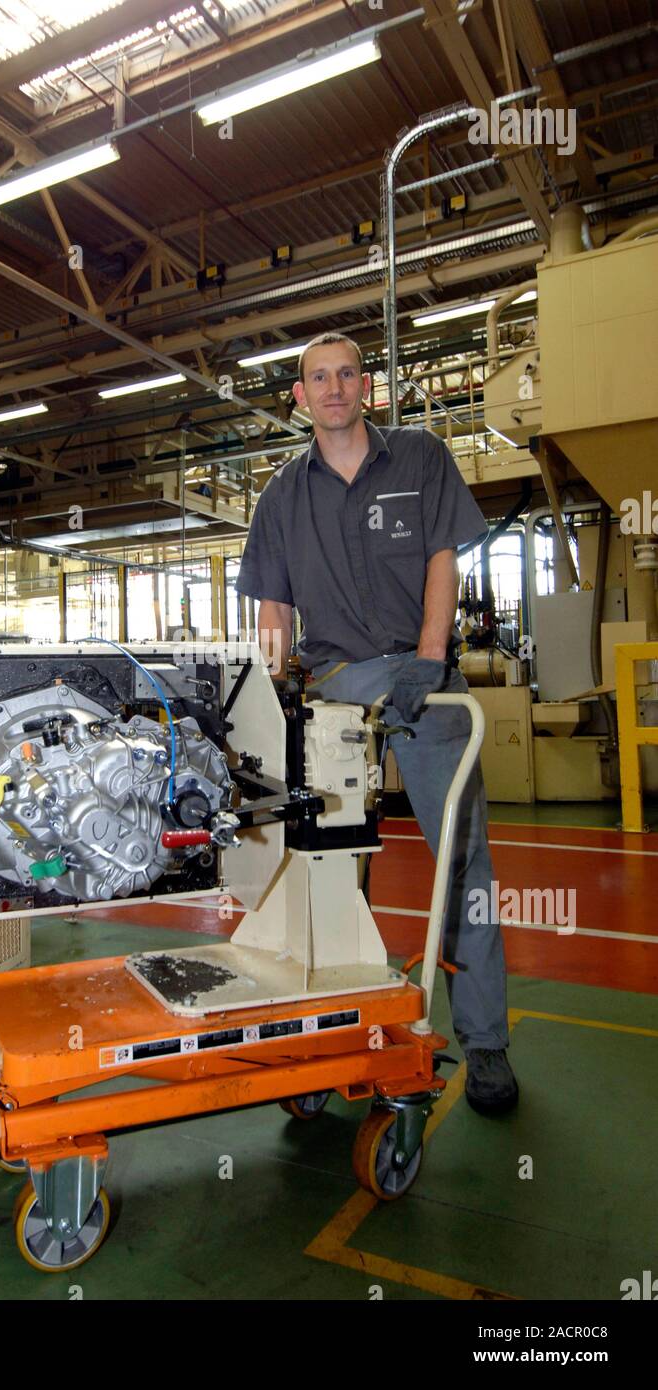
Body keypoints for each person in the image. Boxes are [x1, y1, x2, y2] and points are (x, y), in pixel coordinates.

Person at [236, 331, 517, 1114]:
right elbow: (273, 610)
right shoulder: (282, 496)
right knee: (327, 868)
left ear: (368, 386)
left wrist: (430, 659)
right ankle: (330, 1036)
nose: (332, 388)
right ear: (300, 396)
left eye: (345, 374)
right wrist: (273, 690)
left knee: (463, 864)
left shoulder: (422, 458)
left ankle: (486, 1041)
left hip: (426, 682)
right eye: (316, 378)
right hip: (334, 691)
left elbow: (441, 558)